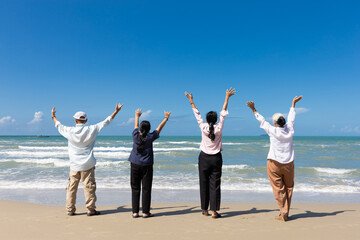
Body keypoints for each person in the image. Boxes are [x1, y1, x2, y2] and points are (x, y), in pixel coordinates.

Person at [51, 103, 123, 216]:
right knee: (89, 187)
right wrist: (116, 112)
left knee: (71, 188)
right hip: (88, 164)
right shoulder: (92, 129)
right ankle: (90, 209)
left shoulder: (69, 131)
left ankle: (70, 210)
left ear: (75, 120)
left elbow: (58, 125)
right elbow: (106, 122)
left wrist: (53, 116)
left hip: (74, 165)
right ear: (85, 120)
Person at [246, 96, 303, 221]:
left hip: (274, 163)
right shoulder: (290, 130)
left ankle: (283, 213)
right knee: (288, 187)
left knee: (278, 188)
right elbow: (292, 118)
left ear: (275, 123)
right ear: (284, 122)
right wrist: (293, 104)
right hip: (289, 163)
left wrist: (253, 109)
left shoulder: (272, 130)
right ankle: (285, 213)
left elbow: (261, 121)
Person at [185, 88, 236, 219]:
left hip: (203, 158)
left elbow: (197, 114)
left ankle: (205, 210)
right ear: (215, 119)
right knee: (215, 184)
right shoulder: (219, 128)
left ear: (207, 120)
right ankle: (214, 211)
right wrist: (227, 97)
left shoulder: (203, 126)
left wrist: (191, 101)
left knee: (203, 183)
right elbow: (223, 112)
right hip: (216, 158)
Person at [128, 108, 171, 218]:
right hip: (147, 165)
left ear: (141, 129)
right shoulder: (150, 137)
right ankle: (145, 212)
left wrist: (137, 115)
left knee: (135, 188)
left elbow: (136, 126)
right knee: (146, 189)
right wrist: (166, 118)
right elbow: (159, 128)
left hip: (135, 164)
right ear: (149, 129)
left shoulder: (135, 135)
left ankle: (135, 212)